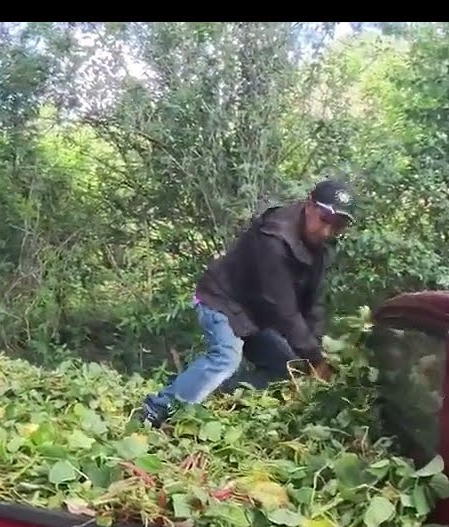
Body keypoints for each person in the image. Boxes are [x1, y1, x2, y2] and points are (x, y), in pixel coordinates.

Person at [141, 179, 356, 427]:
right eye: (324, 220)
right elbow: (284, 309)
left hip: (255, 314)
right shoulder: (275, 237)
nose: (327, 231)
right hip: (221, 300)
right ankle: (157, 408)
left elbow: (312, 304)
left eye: (337, 226)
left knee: (287, 368)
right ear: (309, 205)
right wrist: (315, 360)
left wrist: (317, 350)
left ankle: (213, 398)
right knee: (225, 358)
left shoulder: (319, 248)